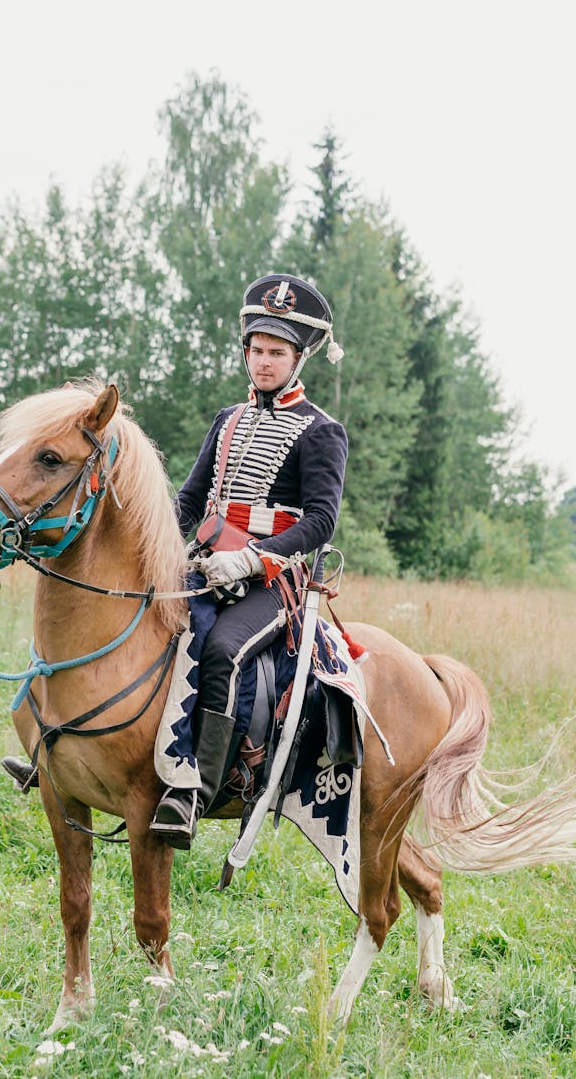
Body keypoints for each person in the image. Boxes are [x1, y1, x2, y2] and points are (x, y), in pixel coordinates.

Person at [149, 272, 348, 849]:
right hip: (203, 562)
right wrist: (161, 546)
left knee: (221, 650)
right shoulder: (227, 420)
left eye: (276, 353)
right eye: (256, 351)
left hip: (271, 581)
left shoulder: (321, 431)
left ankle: (193, 789)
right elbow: (188, 501)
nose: (263, 363)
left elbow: (320, 522)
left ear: (297, 359)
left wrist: (255, 560)